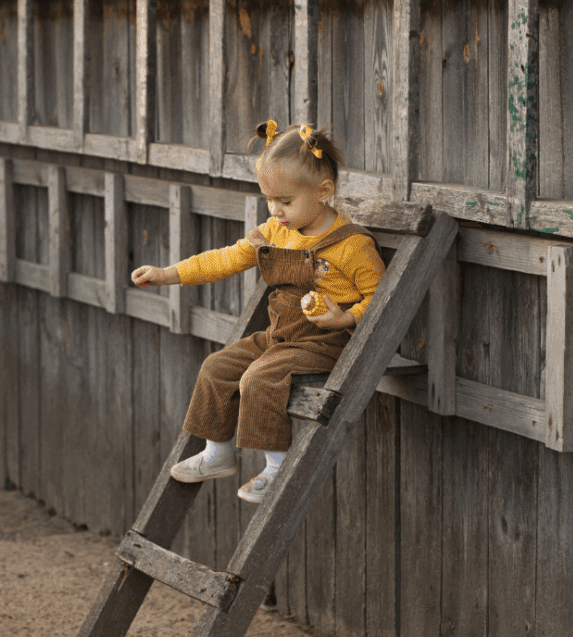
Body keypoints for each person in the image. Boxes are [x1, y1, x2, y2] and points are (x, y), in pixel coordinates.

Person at [130, 121, 385, 504]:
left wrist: (346, 318)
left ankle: (277, 467)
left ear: (324, 192)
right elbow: (226, 259)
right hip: (280, 335)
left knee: (259, 378)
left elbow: (380, 296)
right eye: (269, 200)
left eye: (285, 201)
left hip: (325, 341)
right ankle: (219, 453)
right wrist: (168, 274)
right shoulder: (276, 232)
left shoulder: (352, 245)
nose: (275, 211)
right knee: (217, 367)